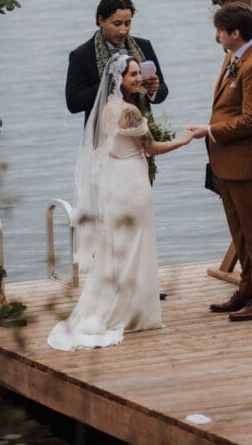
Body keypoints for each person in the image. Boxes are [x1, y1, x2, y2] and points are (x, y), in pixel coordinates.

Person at [48, 53, 195, 351]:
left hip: (114, 180)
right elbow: (151, 148)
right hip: (132, 182)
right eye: (133, 74)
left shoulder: (104, 110)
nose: (139, 79)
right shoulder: (129, 112)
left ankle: (123, 307)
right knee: (135, 245)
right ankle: (128, 313)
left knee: (118, 246)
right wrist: (183, 139)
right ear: (118, 79)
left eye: (139, 73)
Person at [188, 2, 252, 322]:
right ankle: (247, 288)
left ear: (235, 33)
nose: (217, 36)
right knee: (239, 230)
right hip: (228, 162)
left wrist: (209, 130)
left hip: (249, 162)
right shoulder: (234, 57)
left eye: (220, 31)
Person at [65, 0, 168, 125]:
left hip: (143, 132)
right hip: (103, 137)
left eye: (127, 23)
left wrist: (153, 90)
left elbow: (163, 90)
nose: (123, 30)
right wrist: (111, 84)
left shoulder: (144, 46)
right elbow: (73, 103)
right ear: (101, 20)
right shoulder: (81, 55)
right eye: (117, 24)